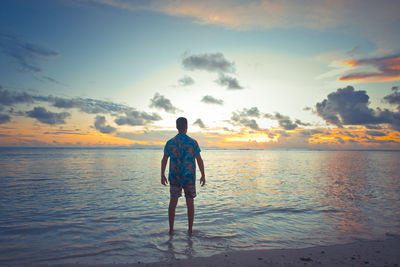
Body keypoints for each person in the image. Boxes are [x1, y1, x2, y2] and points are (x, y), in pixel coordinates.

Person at [161, 117, 205, 235]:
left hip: (175, 176)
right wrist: (203, 175)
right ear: (186, 127)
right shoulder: (193, 142)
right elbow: (199, 160)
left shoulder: (170, 143)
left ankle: (171, 230)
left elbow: (164, 160)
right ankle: (190, 230)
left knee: (173, 203)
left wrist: (162, 175)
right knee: (190, 204)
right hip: (189, 177)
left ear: (176, 127)